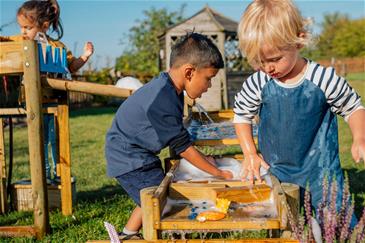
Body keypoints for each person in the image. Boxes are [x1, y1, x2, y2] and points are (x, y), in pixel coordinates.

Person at [234, 0, 365, 224]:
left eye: (274, 59)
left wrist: (360, 137)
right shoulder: (259, 81)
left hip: (321, 171)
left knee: (337, 224)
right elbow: (242, 114)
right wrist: (249, 152)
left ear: (299, 41)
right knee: (286, 224)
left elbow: (352, 107)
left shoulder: (323, 78)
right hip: (277, 170)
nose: (268, 68)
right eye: (260, 61)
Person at [105, 33, 233, 240]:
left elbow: (181, 138)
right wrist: (217, 173)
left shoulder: (167, 89)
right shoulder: (163, 98)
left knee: (152, 195)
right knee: (161, 200)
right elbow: (183, 147)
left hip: (137, 154)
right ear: (189, 72)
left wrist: (205, 159)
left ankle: (128, 234)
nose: (208, 86)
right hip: (129, 158)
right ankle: (164, 235)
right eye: (208, 79)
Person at [16, 0, 94, 182]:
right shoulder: (20, 45)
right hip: (33, 102)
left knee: (55, 140)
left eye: (27, 27)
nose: (23, 32)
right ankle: (42, 176)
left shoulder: (57, 47)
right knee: (38, 141)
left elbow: (72, 66)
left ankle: (57, 175)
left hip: (55, 102)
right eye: (21, 27)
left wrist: (85, 56)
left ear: (44, 26)